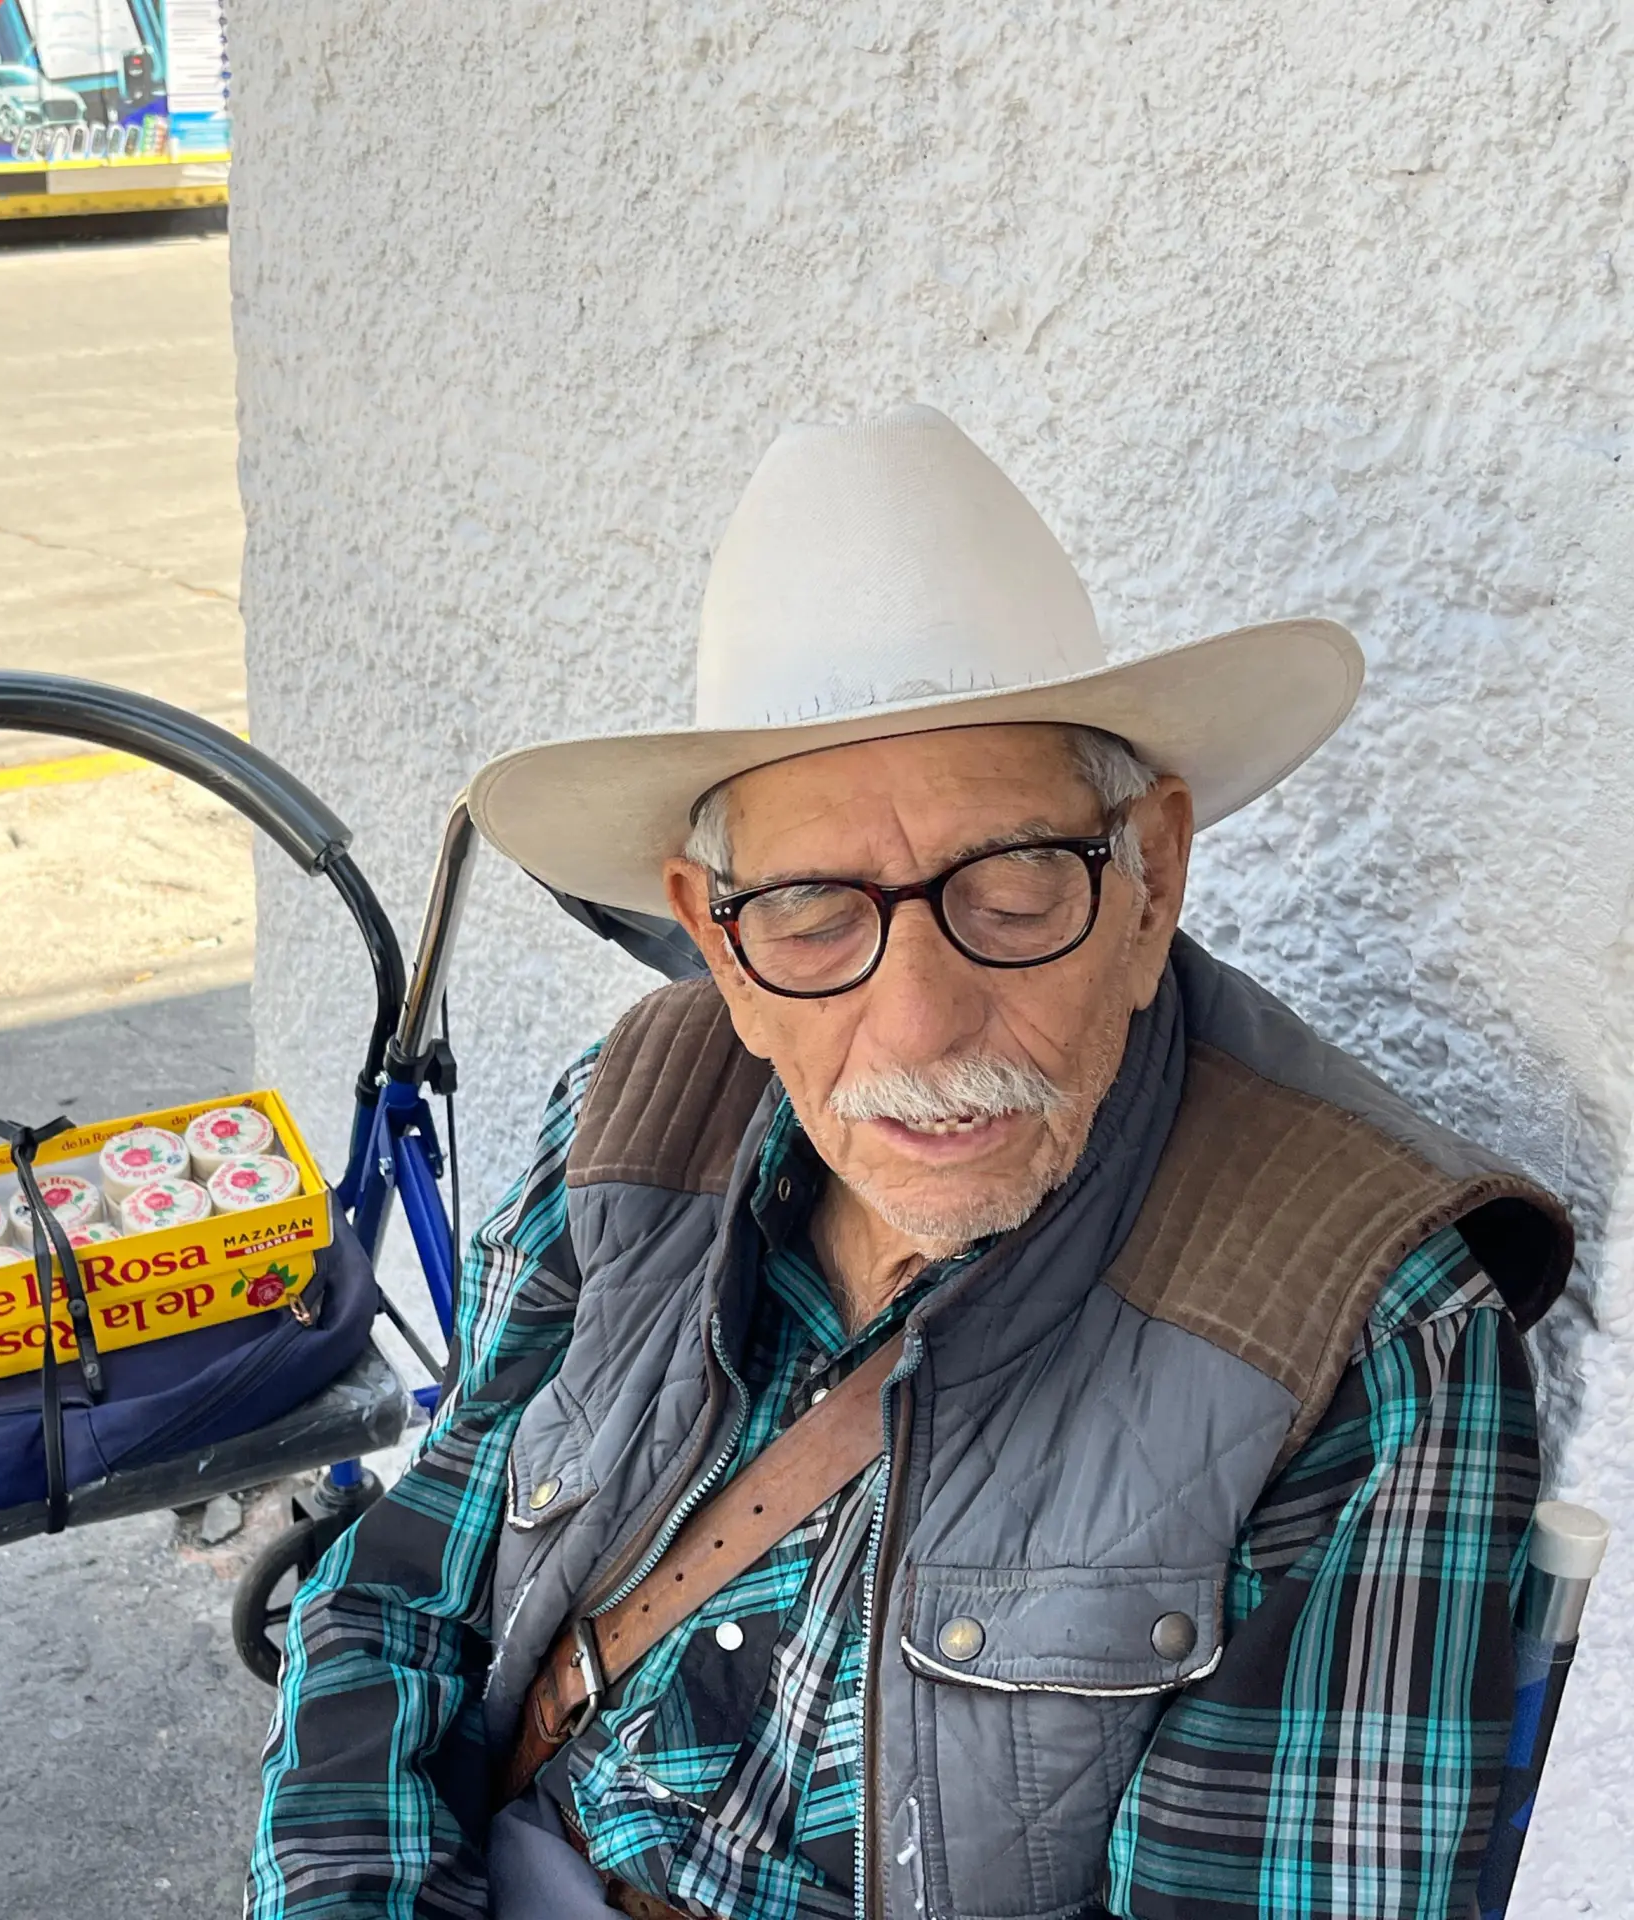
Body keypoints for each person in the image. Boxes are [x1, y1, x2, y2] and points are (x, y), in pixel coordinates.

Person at [247, 405, 1568, 1920]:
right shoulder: (638, 1110)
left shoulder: (1365, 1321)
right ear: (719, 943)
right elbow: (402, 1594)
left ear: (1153, 882)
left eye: (1013, 888)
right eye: (812, 914)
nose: (922, 1023)